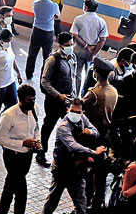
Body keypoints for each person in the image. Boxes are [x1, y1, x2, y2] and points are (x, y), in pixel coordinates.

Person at [41, 98, 104, 214]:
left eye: (78, 112)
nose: (75, 114)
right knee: (52, 201)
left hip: (76, 169)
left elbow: (95, 131)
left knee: (81, 205)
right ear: (68, 110)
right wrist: (94, 152)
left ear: (82, 112)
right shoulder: (63, 126)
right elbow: (72, 146)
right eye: (72, 111)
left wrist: (90, 132)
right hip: (62, 168)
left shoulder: (82, 119)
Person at [0, 84, 42, 214]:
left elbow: (36, 127)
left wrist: (37, 140)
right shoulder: (8, 115)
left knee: (10, 187)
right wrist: (23, 143)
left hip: (26, 156)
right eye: (29, 100)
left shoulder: (34, 109)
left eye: (33, 99)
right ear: (20, 99)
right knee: (21, 189)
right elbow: (0, 139)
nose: (32, 102)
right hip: (12, 156)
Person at [81, 59, 117, 211]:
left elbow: (81, 107)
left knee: (88, 172)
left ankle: (87, 201)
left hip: (92, 137)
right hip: (106, 136)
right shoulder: (113, 91)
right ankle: (97, 202)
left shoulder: (94, 93)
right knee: (101, 172)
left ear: (96, 73)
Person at [38, 32, 77, 167]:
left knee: (68, 128)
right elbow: (45, 81)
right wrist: (57, 95)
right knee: (48, 126)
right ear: (60, 46)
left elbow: (73, 78)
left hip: (68, 101)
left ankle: (63, 155)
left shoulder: (72, 58)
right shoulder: (53, 60)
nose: (70, 47)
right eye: (67, 45)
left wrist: (74, 96)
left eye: (72, 44)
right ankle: (41, 153)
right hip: (54, 101)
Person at [0, 29, 24, 138]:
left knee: (13, 103)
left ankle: (3, 121)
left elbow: (12, 59)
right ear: (1, 40)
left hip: (9, 80)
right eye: (7, 40)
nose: (9, 42)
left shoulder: (8, 46)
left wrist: (18, 72)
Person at [70, 0, 107, 93]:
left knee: (77, 74)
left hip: (79, 50)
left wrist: (86, 46)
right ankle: (86, 94)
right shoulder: (101, 22)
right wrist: (94, 54)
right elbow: (103, 40)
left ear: (85, 7)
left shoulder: (78, 19)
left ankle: (76, 93)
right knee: (90, 75)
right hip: (95, 50)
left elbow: (75, 35)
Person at [25, 0, 60, 80]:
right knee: (47, 55)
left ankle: (29, 73)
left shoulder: (35, 3)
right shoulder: (54, 5)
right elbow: (57, 16)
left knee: (32, 53)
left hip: (36, 30)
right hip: (48, 32)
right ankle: (43, 76)